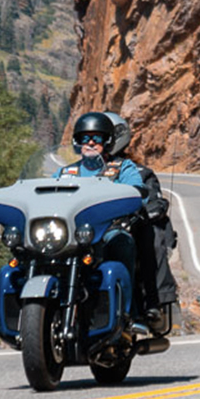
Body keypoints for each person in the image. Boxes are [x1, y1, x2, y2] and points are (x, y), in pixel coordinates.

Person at [56, 111, 178, 328]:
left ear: (108, 141)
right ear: (77, 142)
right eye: (85, 138)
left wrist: (135, 196)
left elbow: (138, 189)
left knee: (122, 242)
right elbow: (47, 193)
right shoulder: (66, 171)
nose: (91, 142)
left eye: (97, 138)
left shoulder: (124, 168)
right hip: (71, 234)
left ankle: (129, 311)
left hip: (108, 229)